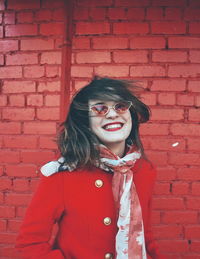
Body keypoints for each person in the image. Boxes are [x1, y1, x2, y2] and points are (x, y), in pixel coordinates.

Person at [16, 76, 164, 259]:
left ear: (130, 114)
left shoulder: (144, 171)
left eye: (120, 106)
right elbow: (30, 244)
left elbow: (144, 235)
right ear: (86, 121)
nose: (112, 114)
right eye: (100, 108)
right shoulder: (63, 173)